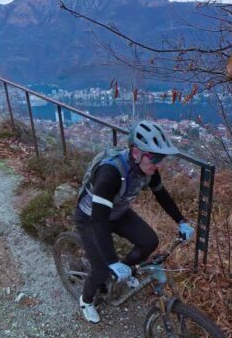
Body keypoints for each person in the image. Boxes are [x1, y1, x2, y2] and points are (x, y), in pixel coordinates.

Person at [75, 120, 194, 323]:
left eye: (161, 158)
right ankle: (86, 300)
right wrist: (111, 261)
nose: (158, 164)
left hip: (117, 213)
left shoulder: (149, 170)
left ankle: (124, 270)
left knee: (149, 241)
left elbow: (162, 195)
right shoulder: (110, 173)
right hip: (91, 218)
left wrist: (181, 221)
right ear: (136, 152)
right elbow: (99, 221)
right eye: (155, 157)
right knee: (100, 269)